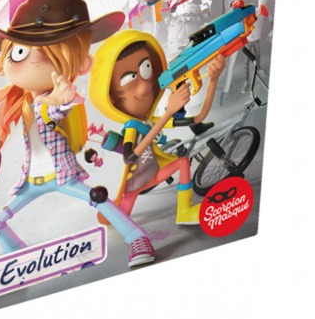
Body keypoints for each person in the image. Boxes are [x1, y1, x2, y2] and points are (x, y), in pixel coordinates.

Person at [0, 0, 155, 269]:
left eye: (39, 51)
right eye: (17, 52)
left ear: (80, 64)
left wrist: (61, 100)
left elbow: (55, 112)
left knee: (99, 199)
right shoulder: (18, 99)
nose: (22, 61)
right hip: (31, 180)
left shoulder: (48, 102)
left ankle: (137, 237)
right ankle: (17, 256)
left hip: (62, 174)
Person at [88, 30, 225, 222]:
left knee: (182, 162)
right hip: (137, 181)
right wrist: (168, 112)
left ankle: (184, 211)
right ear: (111, 98)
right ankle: (116, 215)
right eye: (129, 79)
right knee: (124, 211)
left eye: (147, 69)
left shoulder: (149, 122)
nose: (145, 87)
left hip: (153, 173)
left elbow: (198, 118)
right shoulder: (132, 127)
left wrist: (213, 79)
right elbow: (130, 156)